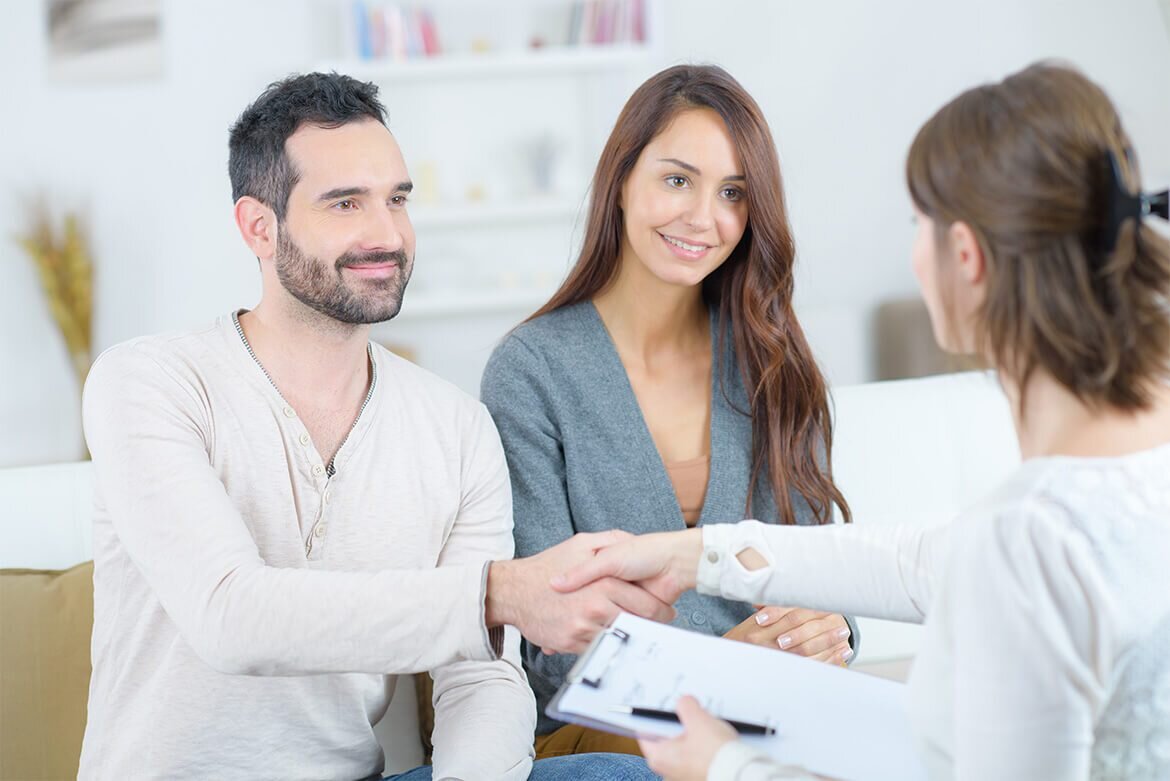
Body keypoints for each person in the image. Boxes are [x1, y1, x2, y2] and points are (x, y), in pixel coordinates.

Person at [552, 62, 1170, 780]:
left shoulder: (1027, 538)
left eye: (920, 225)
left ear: (965, 256)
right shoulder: (1127, 480)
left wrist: (726, 767)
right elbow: (921, 562)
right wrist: (692, 554)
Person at [79, 72, 667, 781]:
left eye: (396, 199)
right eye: (345, 203)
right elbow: (230, 616)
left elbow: (479, 677)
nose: (386, 233)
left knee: (618, 775)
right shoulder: (148, 383)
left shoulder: (455, 426)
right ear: (258, 226)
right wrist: (496, 592)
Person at [480, 64, 858, 761]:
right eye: (677, 179)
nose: (703, 218)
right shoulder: (531, 371)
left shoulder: (775, 363)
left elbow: (824, 572)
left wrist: (828, 629)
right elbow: (548, 647)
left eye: (733, 193)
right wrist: (719, 669)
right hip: (613, 738)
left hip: (771, 719)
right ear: (622, 178)